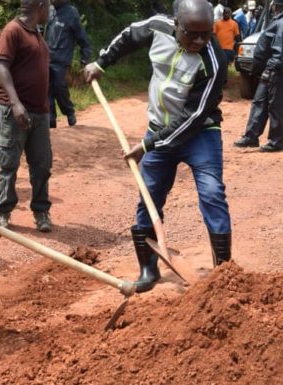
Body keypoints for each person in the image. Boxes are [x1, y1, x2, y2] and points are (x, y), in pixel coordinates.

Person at [84, 0, 231, 292]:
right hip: (158, 130)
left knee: (212, 193)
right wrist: (101, 63)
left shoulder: (214, 63)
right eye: (192, 34)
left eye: (206, 34)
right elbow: (128, 35)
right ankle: (148, 270)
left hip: (200, 134)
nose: (199, 41)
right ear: (176, 24)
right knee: (148, 197)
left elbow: (193, 117)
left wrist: (147, 145)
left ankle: (224, 274)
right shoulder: (157, 27)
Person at [0, 0, 54, 232]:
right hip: (14, 110)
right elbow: (2, 67)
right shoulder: (13, 30)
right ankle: (3, 212)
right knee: (9, 163)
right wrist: (16, 103)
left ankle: (41, 211)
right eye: (49, 5)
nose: (51, 10)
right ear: (40, 5)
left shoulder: (37, 34)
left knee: (42, 164)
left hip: (39, 112)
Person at [233, 0, 283, 152]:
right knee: (259, 102)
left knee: (276, 107)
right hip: (270, 72)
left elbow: (279, 51)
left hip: (277, 73)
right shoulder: (280, 21)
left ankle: (276, 142)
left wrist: (270, 70)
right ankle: (251, 136)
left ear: (275, 6)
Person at [46, 0, 92, 128]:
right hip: (46, 59)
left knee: (60, 89)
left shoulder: (71, 13)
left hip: (62, 60)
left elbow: (82, 38)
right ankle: (51, 120)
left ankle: (69, 112)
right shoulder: (49, 11)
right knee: (46, 90)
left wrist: (85, 58)